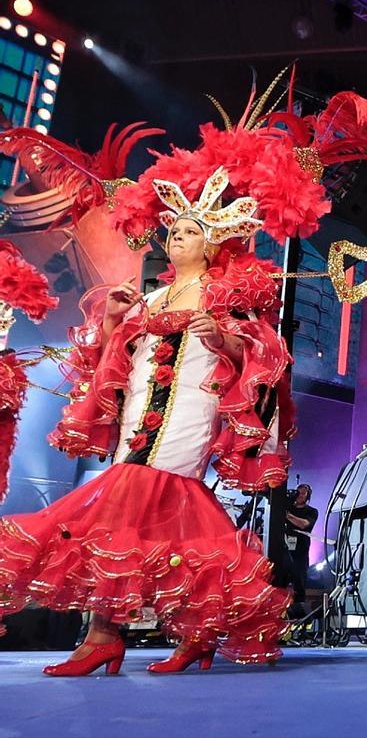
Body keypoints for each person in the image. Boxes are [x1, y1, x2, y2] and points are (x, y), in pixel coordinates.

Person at [0, 169, 294, 675]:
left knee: (130, 508)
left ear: (211, 246)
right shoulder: (150, 299)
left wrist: (223, 340)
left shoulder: (222, 296)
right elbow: (111, 360)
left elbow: (264, 356)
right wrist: (114, 321)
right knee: (163, 519)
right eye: (174, 230)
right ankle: (191, 633)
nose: (176, 237)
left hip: (189, 413)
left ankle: (104, 636)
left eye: (189, 232)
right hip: (140, 414)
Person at [284, 483, 319, 616]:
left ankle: (298, 615)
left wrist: (287, 516)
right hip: (284, 550)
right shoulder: (287, 507)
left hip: (300, 553)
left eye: (304, 493)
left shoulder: (311, 511)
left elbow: (304, 524)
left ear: (308, 496)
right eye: (298, 492)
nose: (300, 495)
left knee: (299, 584)